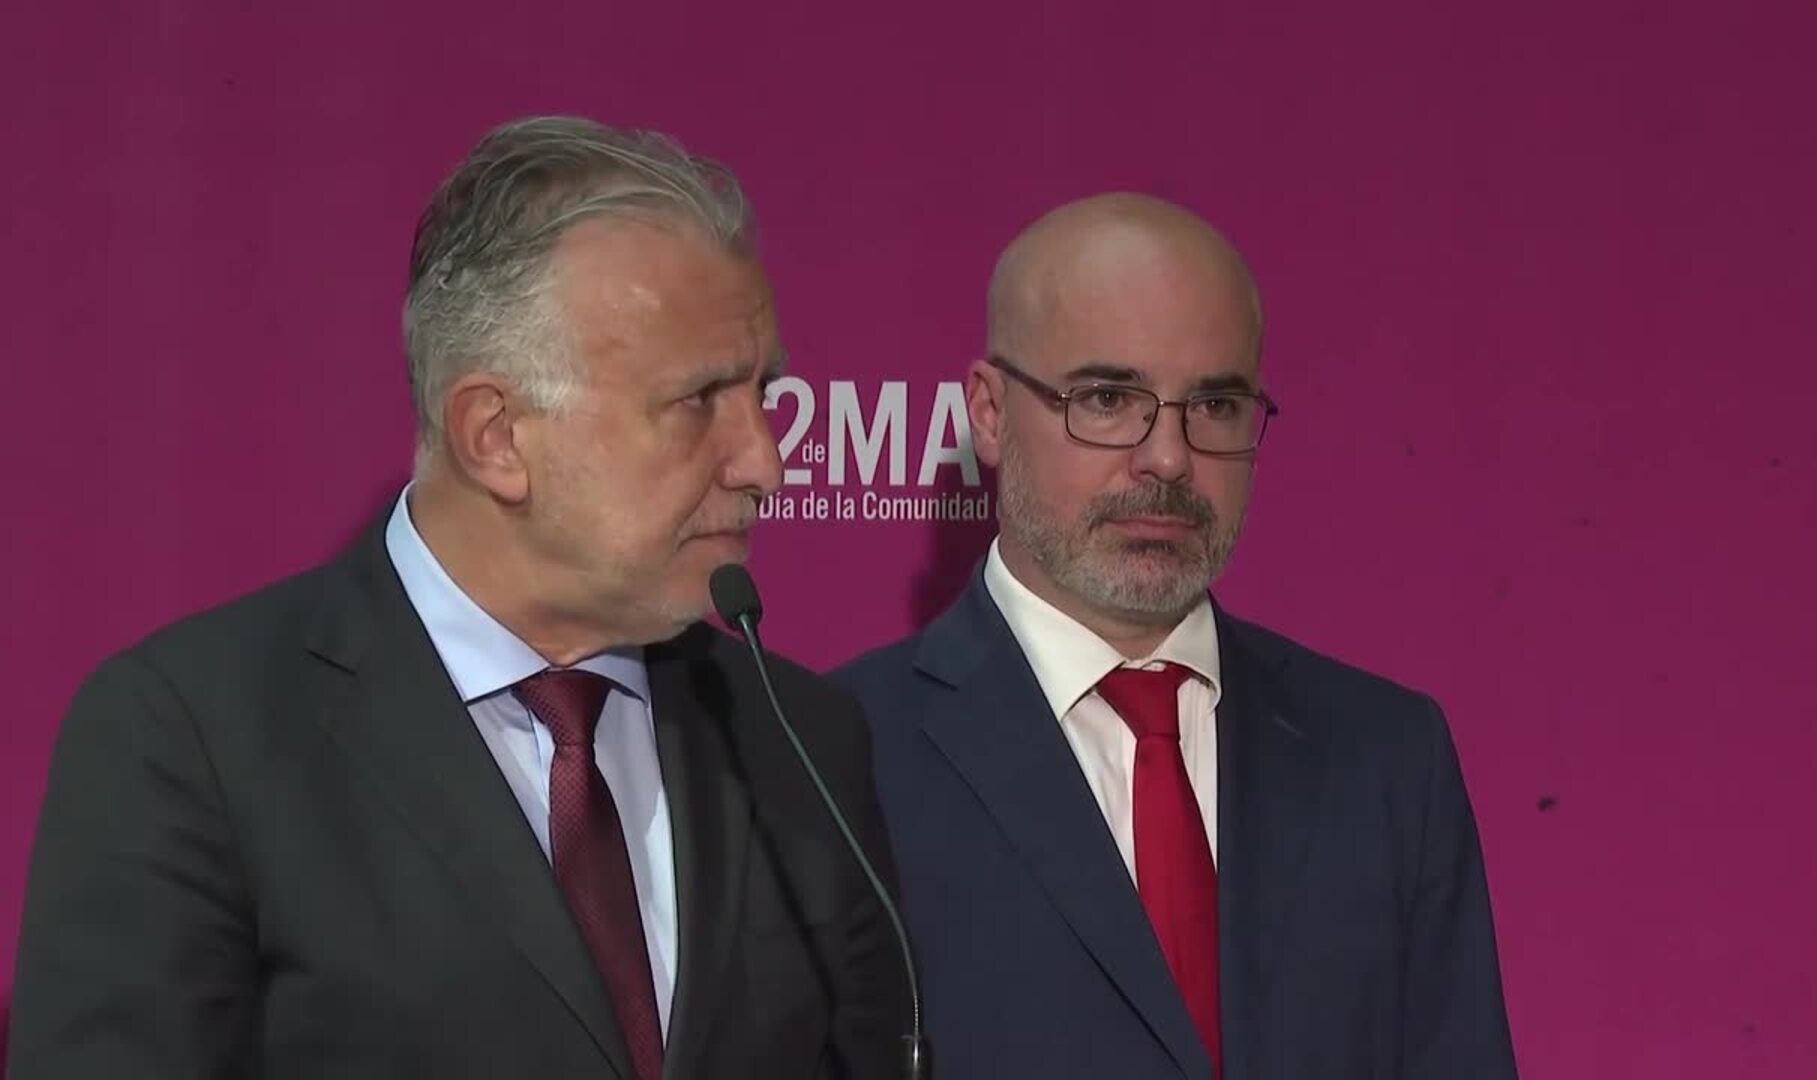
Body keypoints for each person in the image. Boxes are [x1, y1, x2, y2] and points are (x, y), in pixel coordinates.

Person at [9, 116, 907, 1080]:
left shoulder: (800, 741)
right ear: (496, 436)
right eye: (699, 402)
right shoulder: (192, 737)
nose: (765, 462)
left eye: (763, 395)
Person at [835, 193, 1518, 1079]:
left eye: (1216, 404)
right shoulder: (836, 758)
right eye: (1108, 398)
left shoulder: (1386, 756)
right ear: (990, 413)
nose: (1167, 457)